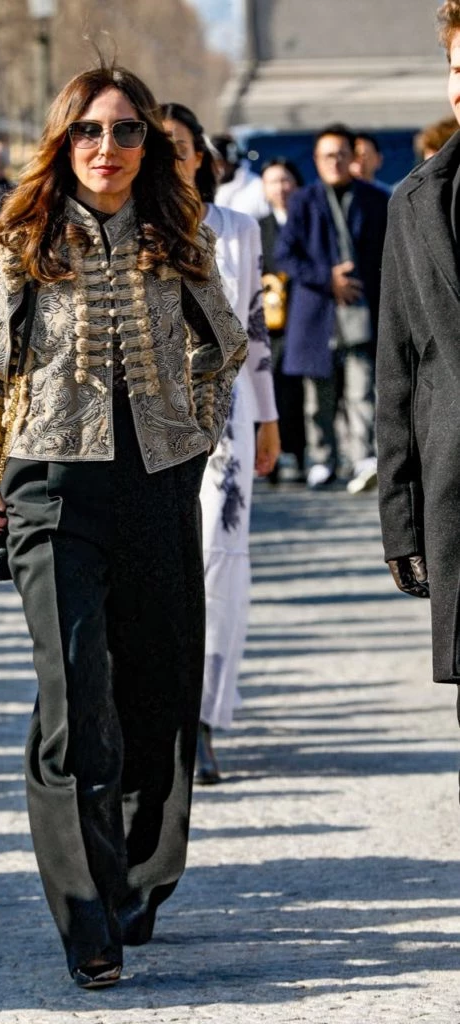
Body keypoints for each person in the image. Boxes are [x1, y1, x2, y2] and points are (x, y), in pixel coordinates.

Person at [0, 64, 247, 988]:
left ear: (147, 146)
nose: (107, 149)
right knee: (74, 693)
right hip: (49, 488)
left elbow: (225, 348)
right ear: (63, 140)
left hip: (157, 481)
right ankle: (85, 915)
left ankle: (142, 874)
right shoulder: (19, 240)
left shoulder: (177, 236)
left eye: (125, 133)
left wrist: (194, 433)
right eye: (89, 131)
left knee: (156, 689)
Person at [161, 103, 280, 784]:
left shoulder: (236, 229)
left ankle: (204, 717)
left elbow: (255, 329)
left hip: (227, 413)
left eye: (180, 146)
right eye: (160, 145)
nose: (171, 157)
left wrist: (267, 417)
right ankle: (161, 715)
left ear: (201, 156)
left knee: (218, 560)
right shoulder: (134, 230)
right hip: (149, 414)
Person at [378, 2, 460, 694]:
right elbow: (398, 368)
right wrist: (401, 520)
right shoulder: (416, 203)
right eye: (455, 69)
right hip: (456, 494)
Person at [276, 123, 389, 493]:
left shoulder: (374, 198)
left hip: (360, 309)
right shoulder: (303, 201)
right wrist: (327, 278)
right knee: (317, 397)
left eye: (342, 154)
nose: (336, 161)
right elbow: (285, 256)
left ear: (353, 157)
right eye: (328, 155)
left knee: (362, 389)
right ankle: (321, 460)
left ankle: (362, 459)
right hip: (317, 310)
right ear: (316, 160)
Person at [258, 158, 306, 482]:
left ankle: (302, 455)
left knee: (302, 392)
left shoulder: (309, 221)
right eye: (273, 181)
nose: (281, 188)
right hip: (269, 319)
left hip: (303, 316)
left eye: (286, 180)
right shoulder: (258, 227)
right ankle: (271, 461)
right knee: (272, 387)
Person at [212, 133, 271, 219]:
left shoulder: (258, 188)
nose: (214, 168)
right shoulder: (201, 188)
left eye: (218, 163)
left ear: (231, 162)